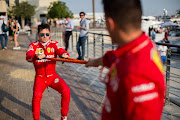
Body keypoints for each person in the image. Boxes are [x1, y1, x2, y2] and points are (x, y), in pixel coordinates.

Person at [85, 0, 165, 120]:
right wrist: (94, 62)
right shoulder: (140, 45)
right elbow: (114, 57)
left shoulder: (135, 76)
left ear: (110, 24)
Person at [26, 23, 70, 120]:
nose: (45, 36)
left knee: (66, 91)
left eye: (47, 34)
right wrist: (35, 56)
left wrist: (64, 55)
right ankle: (36, 118)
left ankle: (64, 116)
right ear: (38, 35)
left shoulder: (54, 44)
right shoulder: (33, 45)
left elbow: (61, 50)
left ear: (50, 34)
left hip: (53, 76)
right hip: (40, 77)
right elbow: (28, 56)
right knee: (36, 96)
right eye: (42, 34)